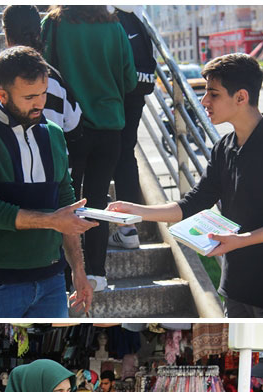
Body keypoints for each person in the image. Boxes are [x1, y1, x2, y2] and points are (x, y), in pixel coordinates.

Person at [108, 53, 263, 317]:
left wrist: (241, 240)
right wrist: (138, 211)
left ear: (241, 97)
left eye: (213, 94)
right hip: (235, 290)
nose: (203, 101)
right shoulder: (224, 147)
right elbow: (195, 201)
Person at [0, 46, 97, 317]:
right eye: (29, 97)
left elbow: (66, 206)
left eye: (43, 93)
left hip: (51, 283)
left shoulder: (53, 133)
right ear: (1, 95)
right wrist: (52, 220)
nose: (40, 103)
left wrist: (79, 270)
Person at [40, 5, 136, 293]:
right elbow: (130, 79)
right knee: (97, 201)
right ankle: (97, 274)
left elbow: (42, 66)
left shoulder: (54, 23)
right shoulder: (115, 26)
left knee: (66, 202)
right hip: (110, 126)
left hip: (70, 126)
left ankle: (68, 275)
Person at [0, 5, 82, 137]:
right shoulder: (52, 76)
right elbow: (73, 127)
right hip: (47, 155)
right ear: (39, 32)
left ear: (6, 34)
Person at [106, 6, 154, 252]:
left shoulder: (102, 13)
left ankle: (94, 227)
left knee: (102, 153)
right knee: (125, 154)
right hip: (137, 87)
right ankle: (128, 229)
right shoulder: (134, 12)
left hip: (112, 89)